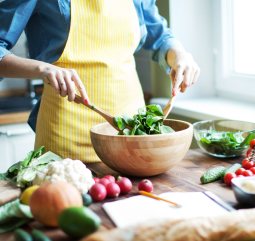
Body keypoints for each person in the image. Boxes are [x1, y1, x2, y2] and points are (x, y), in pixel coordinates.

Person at [0, 0, 200, 163]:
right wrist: (42, 68)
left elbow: (160, 35)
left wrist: (180, 55)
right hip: (66, 135)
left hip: (132, 133)